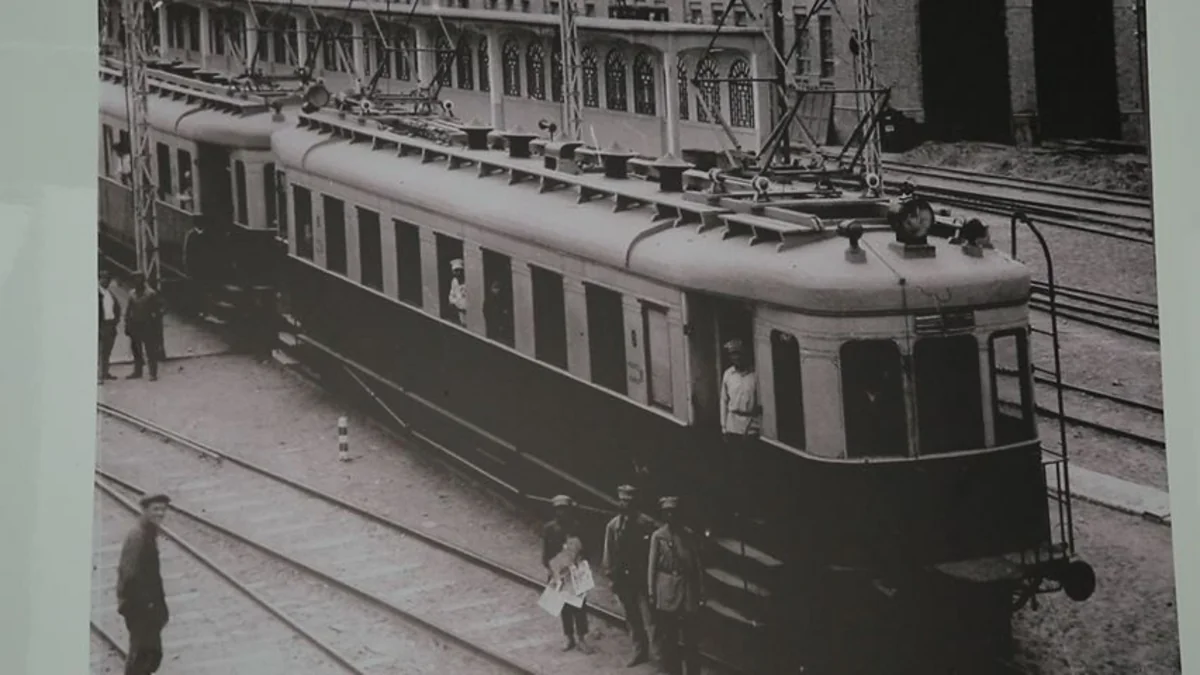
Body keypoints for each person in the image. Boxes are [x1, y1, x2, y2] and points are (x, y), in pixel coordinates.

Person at [648, 496, 705, 675]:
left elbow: (697, 564)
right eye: (667, 513)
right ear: (663, 515)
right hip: (667, 592)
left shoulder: (688, 535)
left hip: (687, 592)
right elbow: (652, 566)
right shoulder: (658, 536)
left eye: (674, 512)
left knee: (691, 640)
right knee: (669, 639)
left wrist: (701, 590)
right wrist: (651, 591)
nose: (671, 516)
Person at [602, 484, 656, 667]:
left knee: (651, 618)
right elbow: (609, 553)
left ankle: (660, 656)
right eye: (623, 501)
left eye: (629, 501)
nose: (625, 505)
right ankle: (640, 651)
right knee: (632, 617)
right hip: (623, 578)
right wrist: (610, 575)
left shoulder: (646, 524)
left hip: (643, 578)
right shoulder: (614, 526)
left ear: (635, 503)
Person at [117, 493, 171, 675]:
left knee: (150, 655)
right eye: (156, 509)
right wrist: (147, 606)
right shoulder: (138, 537)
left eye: (163, 509)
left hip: (147, 607)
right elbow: (130, 576)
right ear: (144, 510)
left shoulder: (147, 533)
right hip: (140, 608)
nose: (160, 513)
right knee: (142, 656)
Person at [542, 494, 592, 653]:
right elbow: (546, 553)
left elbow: (586, 550)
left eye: (564, 509)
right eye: (558, 510)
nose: (561, 513)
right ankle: (569, 637)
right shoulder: (549, 529)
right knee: (564, 606)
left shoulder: (577, 527)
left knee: (579, 606)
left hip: (576, 572)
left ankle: (582, 638)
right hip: (559, 572)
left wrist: (580, 566)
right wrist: (552, 570)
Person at [719, 338, 761, 513]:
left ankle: (753, 507)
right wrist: (724, 427)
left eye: (738, 354)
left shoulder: (756, 376)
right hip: (733, 426)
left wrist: (758, 425)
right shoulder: (728, 375)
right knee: (736, 469)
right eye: (732, 355)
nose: (735, 358)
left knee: (751, 469)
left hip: (751, 427)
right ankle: (738, 507)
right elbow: (723, 401)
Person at [125, 273, 164, 381]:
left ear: (143, 280)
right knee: (136, 350)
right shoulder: (131, 294)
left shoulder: (151, 293)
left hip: (148, 325)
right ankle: (137, 371)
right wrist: (127, 325)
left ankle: (153, 373)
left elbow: (159, 309)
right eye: (135, 279)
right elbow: (128, 310)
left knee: (150, 350)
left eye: (139, 279)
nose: (137, 281)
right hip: (135, 325)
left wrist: (156, 324)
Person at [99, 270, 122, 384]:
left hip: (110, 325)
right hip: (101, 325)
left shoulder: (110, 293)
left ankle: (105, 372)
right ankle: (99, 376)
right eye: (104, 279)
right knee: (101, 351)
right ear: (99, 279)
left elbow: (117, 308)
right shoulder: (96, 294)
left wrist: (115, 321)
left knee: (107, 351)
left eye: (108, 279)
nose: (106, 281)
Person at [448, 258, 467, 325]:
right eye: (456, 270)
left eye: (460, 270)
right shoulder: (454, 281)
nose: (458, 273)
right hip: (459, 313)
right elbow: (451, 297)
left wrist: (457, 303)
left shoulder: (467, 283)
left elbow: (465, 304)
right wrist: (456, 302)